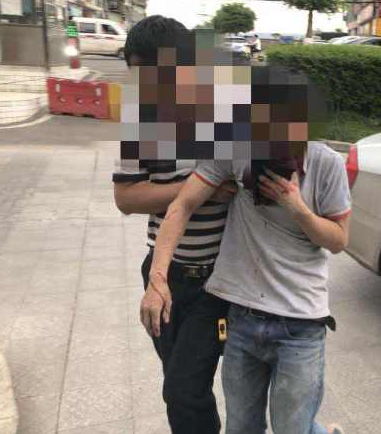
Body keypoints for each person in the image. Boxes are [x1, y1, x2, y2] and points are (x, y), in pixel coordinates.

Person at [140, 67, 350, 434]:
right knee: (241, 427)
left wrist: (297, 207)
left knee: (291, 428)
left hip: (301, 323)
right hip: (243, 318)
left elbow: (339, 240)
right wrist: (158, 278)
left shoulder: (328, 164)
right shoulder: (236, 153)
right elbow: (182, 206)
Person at [113, 16, 237, 433]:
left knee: (183, 389)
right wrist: (198, 189)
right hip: (164, 275)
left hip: (217, 281)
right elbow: (127, 197)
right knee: (181, 384)